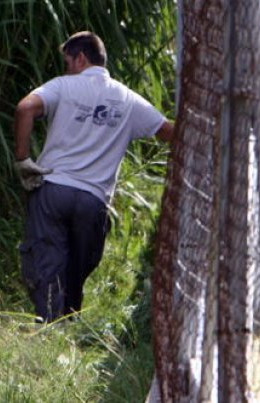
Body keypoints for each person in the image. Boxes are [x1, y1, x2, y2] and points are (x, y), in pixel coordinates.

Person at [13, 32, 174, 322]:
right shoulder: (127, 98)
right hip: (93, 199)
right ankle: (69, 314)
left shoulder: (63, 85)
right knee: (79, 261)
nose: (66, 68)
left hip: (53, 189)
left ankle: (49, 322)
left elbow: (25, 108)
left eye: (67, 62)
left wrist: (24, 159)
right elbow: (168, 131)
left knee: (48, 256)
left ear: (81, 58)